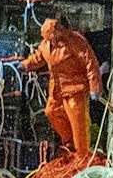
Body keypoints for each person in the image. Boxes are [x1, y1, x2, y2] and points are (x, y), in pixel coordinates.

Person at [21, 14, 102, 161]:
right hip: (57, 89)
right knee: (51, 112)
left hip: (75, 89)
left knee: (78, 124)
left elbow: (91, 63)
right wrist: (24, 65)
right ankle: (70, 144)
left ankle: (82, 158)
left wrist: (94, 87)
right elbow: (39, 57)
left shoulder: (75, 42)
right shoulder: (46, 44)